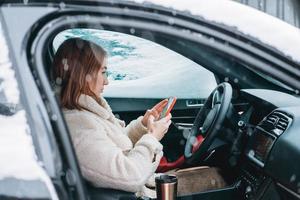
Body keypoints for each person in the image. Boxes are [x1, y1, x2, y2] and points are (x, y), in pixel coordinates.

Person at [52, 38, 172, 197]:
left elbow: (114, 147)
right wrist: (152, 138)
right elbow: (130, 176)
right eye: (103, 72)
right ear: (83, 75)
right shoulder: (78, 127)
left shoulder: (87, 111)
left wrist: (143, 126)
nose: (107, 81)